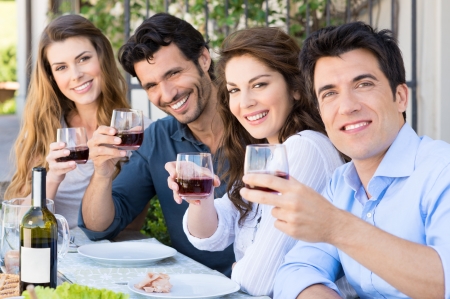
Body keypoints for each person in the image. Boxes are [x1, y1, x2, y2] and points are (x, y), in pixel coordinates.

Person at [241, 21, 450, 298]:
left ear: (400, 97)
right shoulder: (340, 184)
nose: (347, 106)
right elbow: (297, 268)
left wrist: (336, 227)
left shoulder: (441, 171)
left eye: (363, 84)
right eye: (329, 93)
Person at [165, 27, 344, 297]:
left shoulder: (306, 147)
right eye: (234, 90)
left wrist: (240, 271)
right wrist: (200, 198)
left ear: (295, 88)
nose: (245, 102)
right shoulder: (265, 152)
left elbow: (259, 281)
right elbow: (212, 236)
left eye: (259, 84)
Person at [78, 13, 235, 276]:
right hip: (192, 288)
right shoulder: (156, 138)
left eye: (174, 73)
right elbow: (99, 227)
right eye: (151, 85)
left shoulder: (255, 123)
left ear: (204, 59)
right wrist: (102, 173)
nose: (167, 94)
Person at [4, 15, 150, 229]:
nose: (76, 75)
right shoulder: (45, 129)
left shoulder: (138, 131)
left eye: (83, 59)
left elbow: (132, 223)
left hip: (113, 255)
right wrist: (53, 177)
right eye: (61, 67)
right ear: (51, 77)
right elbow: (19, 224)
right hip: (54, 253)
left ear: (101, 57)